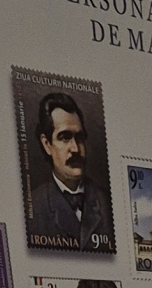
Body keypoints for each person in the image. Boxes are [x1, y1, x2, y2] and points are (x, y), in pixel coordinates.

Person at [30, 90, 112, 251]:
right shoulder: (34, 207)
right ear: (47, 144)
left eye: (79, 138)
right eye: (64, 137)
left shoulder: (107, 202)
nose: (75, 149)